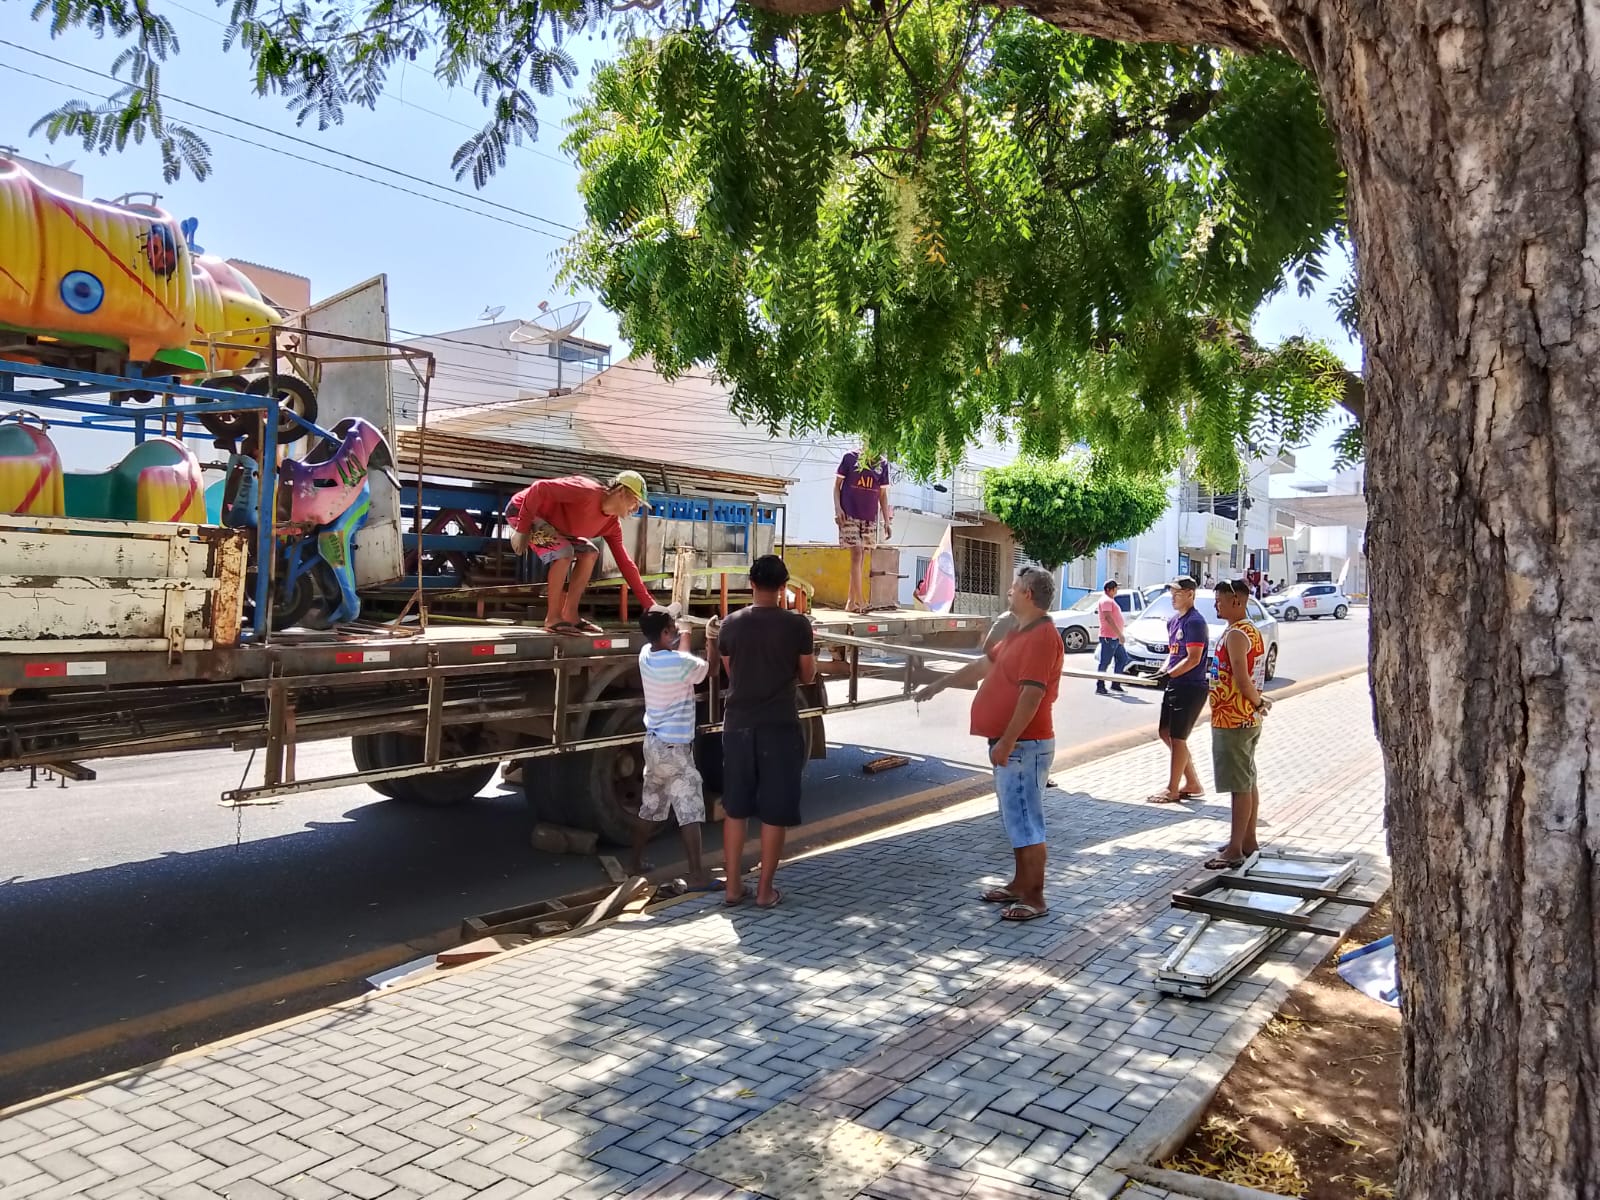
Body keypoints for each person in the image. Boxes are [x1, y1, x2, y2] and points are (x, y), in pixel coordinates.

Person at [916, 566, 1063, 922]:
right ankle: (1019, 884)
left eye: (1014, 587)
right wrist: (940, 684)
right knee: (1016, 819)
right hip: (1013, 744)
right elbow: (984, 665)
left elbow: (1032, 695)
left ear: (1028, 594)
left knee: (1027, 821)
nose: (1009, 592)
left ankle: (1035, 896)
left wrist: (1008, 740)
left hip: (1024, 745)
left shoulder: (1042, 637)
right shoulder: (1018, 631)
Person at [716, 555, 816, 909]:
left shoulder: (730, 624)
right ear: (784, 587)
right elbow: (807, 675)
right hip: (780, 725)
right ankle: (764, 892)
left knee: (736, 808)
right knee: (775, 810)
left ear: (752, 584)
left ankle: (731, 888)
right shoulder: (797, 625)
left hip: (738, 724)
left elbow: (730, 671)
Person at [504, 471, 654, 634]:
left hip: (553, 525)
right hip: (523, 509)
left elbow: (625, 563)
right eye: (636, 501)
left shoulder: (611, 526)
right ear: (621, 492)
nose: (637, 508)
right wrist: (522, 528)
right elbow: (539, 488)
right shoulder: (586, 491)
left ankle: (570, 615)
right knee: (564, 553)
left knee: (590, 553)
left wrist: (650, 605)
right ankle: (552, 618)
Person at [633, 605, 715, 889]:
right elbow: (709, 669)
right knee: (689, 810)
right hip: (676, 748)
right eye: (673, 627)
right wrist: (711, 638)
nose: (677, 630)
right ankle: (697, 875)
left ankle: (635, 862)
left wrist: (683, 636)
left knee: (651, 806)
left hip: (653, 744)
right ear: (666, 632)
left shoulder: (646, 655)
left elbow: (680, 656)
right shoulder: (681, 664)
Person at [1207, 580, 1273, 868]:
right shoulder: (1246, 631)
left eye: (1220, 600)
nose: (1216, 605)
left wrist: (1257, 702)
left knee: (1239, 784)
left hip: (1235, 717)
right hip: (1238, 715)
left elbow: (1242, 679)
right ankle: (1247, 839)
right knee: (1247, 779)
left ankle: (1235, 848)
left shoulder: (1238, 634)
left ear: (1237, 600)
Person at [1147, 576, 1210, 804]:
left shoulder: (1195, 622)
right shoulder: (1173, 621)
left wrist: (1169, 674)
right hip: (1176, 684)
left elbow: (1193, 659)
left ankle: (1172, 789)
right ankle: (1192, 782)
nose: (1173, 597)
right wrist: (1160, 672)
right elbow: (1173, 655)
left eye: (1178, 592)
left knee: (1178, 737)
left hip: (1191, 686)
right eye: (1172, 592)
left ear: (1191, 594)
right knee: (1166, 733)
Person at [834, 449, 891, 614]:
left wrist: (886, 521)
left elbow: (882, 494)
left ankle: (851, 602)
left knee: (861, 558)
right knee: (857, 553)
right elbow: (837, 486)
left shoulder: (882, 464)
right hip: (849, 513)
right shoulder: (850, 458)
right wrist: (838, 508)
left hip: (869, 517)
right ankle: (860, 601)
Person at [1094, 580, 1131, 696]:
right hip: (1109, 637)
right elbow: (1108, 618)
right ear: (1109, 589)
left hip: (1115, 637)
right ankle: (1100, 686)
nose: (1117, 590)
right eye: (1115, 588)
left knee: (1122, 659)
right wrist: (1119, 634)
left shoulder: (1110, 601)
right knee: (1105, 662)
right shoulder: (1106, 600)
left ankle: (1116, 683)